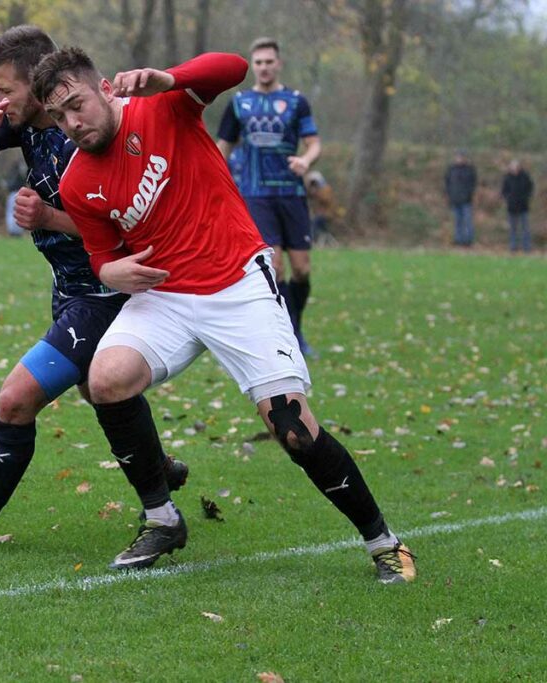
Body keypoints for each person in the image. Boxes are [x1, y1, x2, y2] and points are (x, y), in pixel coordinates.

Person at [32, 46, 416, 583]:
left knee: (293, 430)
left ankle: (386, 544)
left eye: (76, 104)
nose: (71, 122)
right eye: (58, 115)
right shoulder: (77, 182)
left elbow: (231, 67)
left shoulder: (162, 105)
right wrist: (110, 273)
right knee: (106, 379)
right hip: (165, 295)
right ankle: (162, 519)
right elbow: (101, 255)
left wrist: (167, 77)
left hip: (236, 282)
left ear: (104, 88)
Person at [0, 25, 187, 544]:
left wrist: (47, 216)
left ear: (37, 86)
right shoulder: (20, 123)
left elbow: (123, 223)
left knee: (16, 399)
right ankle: (158, 469)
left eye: (5, 90)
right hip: (69, 290)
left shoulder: (88, 131)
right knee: (97, 390)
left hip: (106, 293)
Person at [216, 38, 321, 357]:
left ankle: (296, 323)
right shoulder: (239, 103)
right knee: (274, 268)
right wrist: (218, 182)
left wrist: (306, 160)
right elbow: (222, 148)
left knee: (302, 269)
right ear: (253, 65)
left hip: (291, 194)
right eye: (258, 62)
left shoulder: (296, 101)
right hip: (255, 195)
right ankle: (288, 333)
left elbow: (314, 143)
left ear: (279, 64)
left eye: (268, 62)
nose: (263, 67)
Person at [501, 159, 533, 253]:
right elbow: (504, 191)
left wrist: (527, 197)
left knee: (525, 228)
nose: (514, 168)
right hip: (511, 207)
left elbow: (530, 188)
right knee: (513, 229)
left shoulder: (525, 176)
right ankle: (513, 246)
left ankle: (526, 247)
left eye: (516, 166)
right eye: (512, 166)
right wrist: (508, 199)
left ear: (519, 167)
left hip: (523, 206)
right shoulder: (507, 178)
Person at [445, 151, 477, 247]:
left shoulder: (470, 169)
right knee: (457, 221)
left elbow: (473, 183)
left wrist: (469, 194)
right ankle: (458, 239)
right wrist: (449, 195)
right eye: (458, 157)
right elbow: (447, 183)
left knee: (467, 221)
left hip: (466, 200)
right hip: (455, 199)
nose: (459, 159)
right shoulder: (451, 169)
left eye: (461, 157)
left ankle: (468, 240)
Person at [305, 170, 337, 247]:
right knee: (323, 229)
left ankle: (311, 241)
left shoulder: (325, 189)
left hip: (326, 214)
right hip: (321, 213)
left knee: (313, 224)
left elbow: (326, 200)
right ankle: (332, 243)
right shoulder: (316, 189)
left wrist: (316, 193)